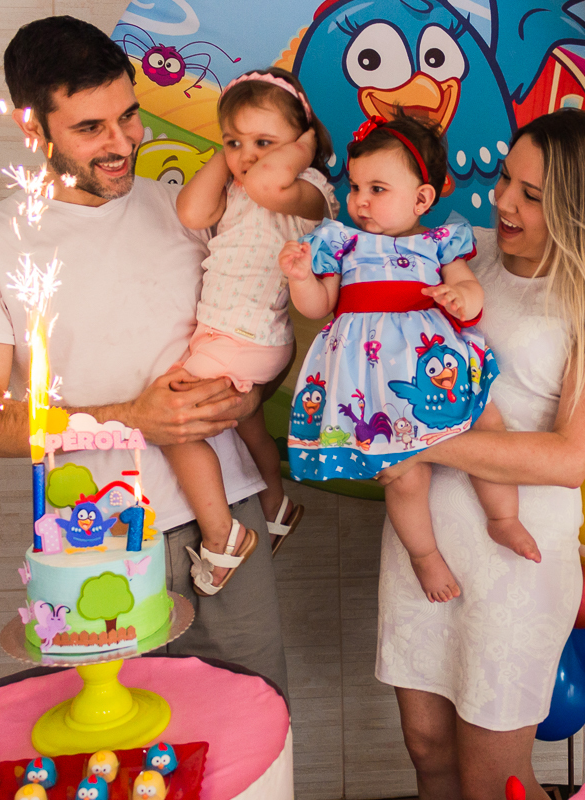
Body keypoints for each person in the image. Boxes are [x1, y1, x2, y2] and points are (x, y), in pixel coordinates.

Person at [0, 16, 287, 690]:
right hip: (97, 545)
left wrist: (250, 393)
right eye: (91, 129)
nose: (123, 144)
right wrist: (131, 417)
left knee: (255, 738)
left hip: (230, 525)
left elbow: (258, 331)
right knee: (127, 760)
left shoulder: (186, 211)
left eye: (130, 116)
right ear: (34, 130)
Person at [373, 109, 585, 799]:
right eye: (507, 179)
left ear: (577, 209)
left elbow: (570, 459)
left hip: (515, 562)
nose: (502, 201)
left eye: (531, 195)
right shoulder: (460, 253)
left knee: (491, 778)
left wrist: (430, 441)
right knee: (426, 746)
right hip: (422, 542)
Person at [278, 113, 538, 605]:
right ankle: (424, 555)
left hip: (430, 363)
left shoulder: (439, 241)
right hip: (372, 380)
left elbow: (470, 289)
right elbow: (318, 306)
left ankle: (504, 517)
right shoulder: (342, 242)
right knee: (404, 473)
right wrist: (299, 278)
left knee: (488, 419)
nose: (360, 201)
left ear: (422, 198)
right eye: (355, 186)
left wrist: (461, 299)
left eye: (378, 188)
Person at [167, 67, 336, 596]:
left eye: (265, 142)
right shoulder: (238, 188)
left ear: (301, 143)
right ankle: (275, 505)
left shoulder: (309, 190)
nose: (248, 155)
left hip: (246, 337)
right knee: (249, 427)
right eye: (234, 141)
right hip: (234, 337)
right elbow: (191, 210)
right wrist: (231, 153)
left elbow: (270, 181)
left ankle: (224, 538)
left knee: (175, 424)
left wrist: (302, 145)